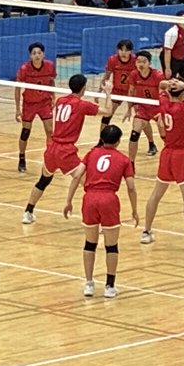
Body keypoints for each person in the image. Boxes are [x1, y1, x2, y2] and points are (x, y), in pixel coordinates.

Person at [139, 70, 184, 252]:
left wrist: (170, 83)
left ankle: (146, 232)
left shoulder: (163, 103)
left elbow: (160, 86)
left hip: (167, 153)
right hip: (183, 155)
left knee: (156, 194)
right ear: (182, 93)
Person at [22, 75, 111, 225]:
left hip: (52, 148)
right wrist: (108, 93)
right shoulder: (82, 105)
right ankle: (99, 221)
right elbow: (108, 111)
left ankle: (28, 212)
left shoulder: (60, 101)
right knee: (90, 185)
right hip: (66, 151)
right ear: (83, 88)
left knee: (44, 180)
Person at [64, 124, 138, 298]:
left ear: (102, 139)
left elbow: (76, 176)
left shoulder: (91, 154)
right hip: (109, 200)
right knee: (111, 246)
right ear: (119, 141)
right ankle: (109, 286)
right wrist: (134, 209)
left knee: (90, 243)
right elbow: (131, 187)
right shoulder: (124, 159)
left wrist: (68, 201)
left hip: (89, 199)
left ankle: (89, 284)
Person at [13, 41, 55, 173]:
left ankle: (50, 159)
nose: (37, 56)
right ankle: (21, 158)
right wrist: (17, 108)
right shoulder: (25, 69)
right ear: (30, 56)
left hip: (44, 102)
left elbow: (51, 81)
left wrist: (53, 97)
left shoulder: (49, 66)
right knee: (26, 132)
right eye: (34, 53)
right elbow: (17, 88)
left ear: (43, 54)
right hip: (29, 104)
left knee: (50, 131)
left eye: (39, 53)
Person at [125, 50, 163, 164]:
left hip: (158, 108)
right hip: (143, 108)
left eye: (144, 62)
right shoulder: (134, 74)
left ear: (149, 63)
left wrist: (164, 111)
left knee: (165, 136)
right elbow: (131, 91)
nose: (141, 64)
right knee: (134, 134)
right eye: (138, 61)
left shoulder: (158, 75)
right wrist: (129, 108)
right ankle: (131, 164)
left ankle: (169, 158)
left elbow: (164, 94)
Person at [99, 38, 137, 131]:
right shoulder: (113, 59)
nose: (123, 52)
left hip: (131, 92)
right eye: (121, 50)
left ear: (130, 51)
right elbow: (107, 75)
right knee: (107, 115)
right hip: (117, 91)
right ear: (117, 50)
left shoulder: (135, 60)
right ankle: (101, 140)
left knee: (141, 117)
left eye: (126, 50)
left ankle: (151, 142)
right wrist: (99, 91)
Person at [161, 11, 184, 79]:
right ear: (177, 20)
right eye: (183, 19)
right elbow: (167, 51)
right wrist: (168, 69)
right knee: (170, 80)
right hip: (170, 58)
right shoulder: (172, 33)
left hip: (181, 58)